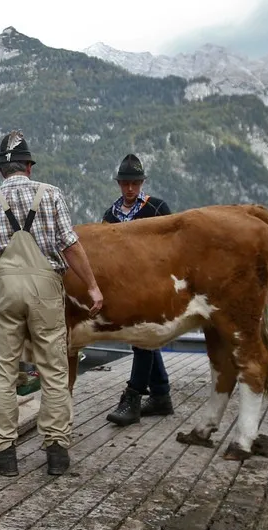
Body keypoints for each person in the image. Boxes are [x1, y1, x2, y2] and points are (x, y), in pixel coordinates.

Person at [0, 131, 104, 477]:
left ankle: (3, 452)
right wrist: (92, 287)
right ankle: (57, 452)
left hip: (5, 287)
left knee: (4, 371)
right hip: (46, 288)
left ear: (3, 170)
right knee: (54, 369)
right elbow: (71, 246)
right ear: (28, 166)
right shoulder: (51, 195)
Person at [103, 154, 174, 427]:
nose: (130, 188)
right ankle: (160, 395)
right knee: (142, 338)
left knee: (142, 336)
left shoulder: (157, 208)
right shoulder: (110, 215)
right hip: (123, 287)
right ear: (119, 184)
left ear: (142, 183)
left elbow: (171, 247)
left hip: (153, 284)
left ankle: (133, 397)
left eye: (135, 182)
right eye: (125, 183)